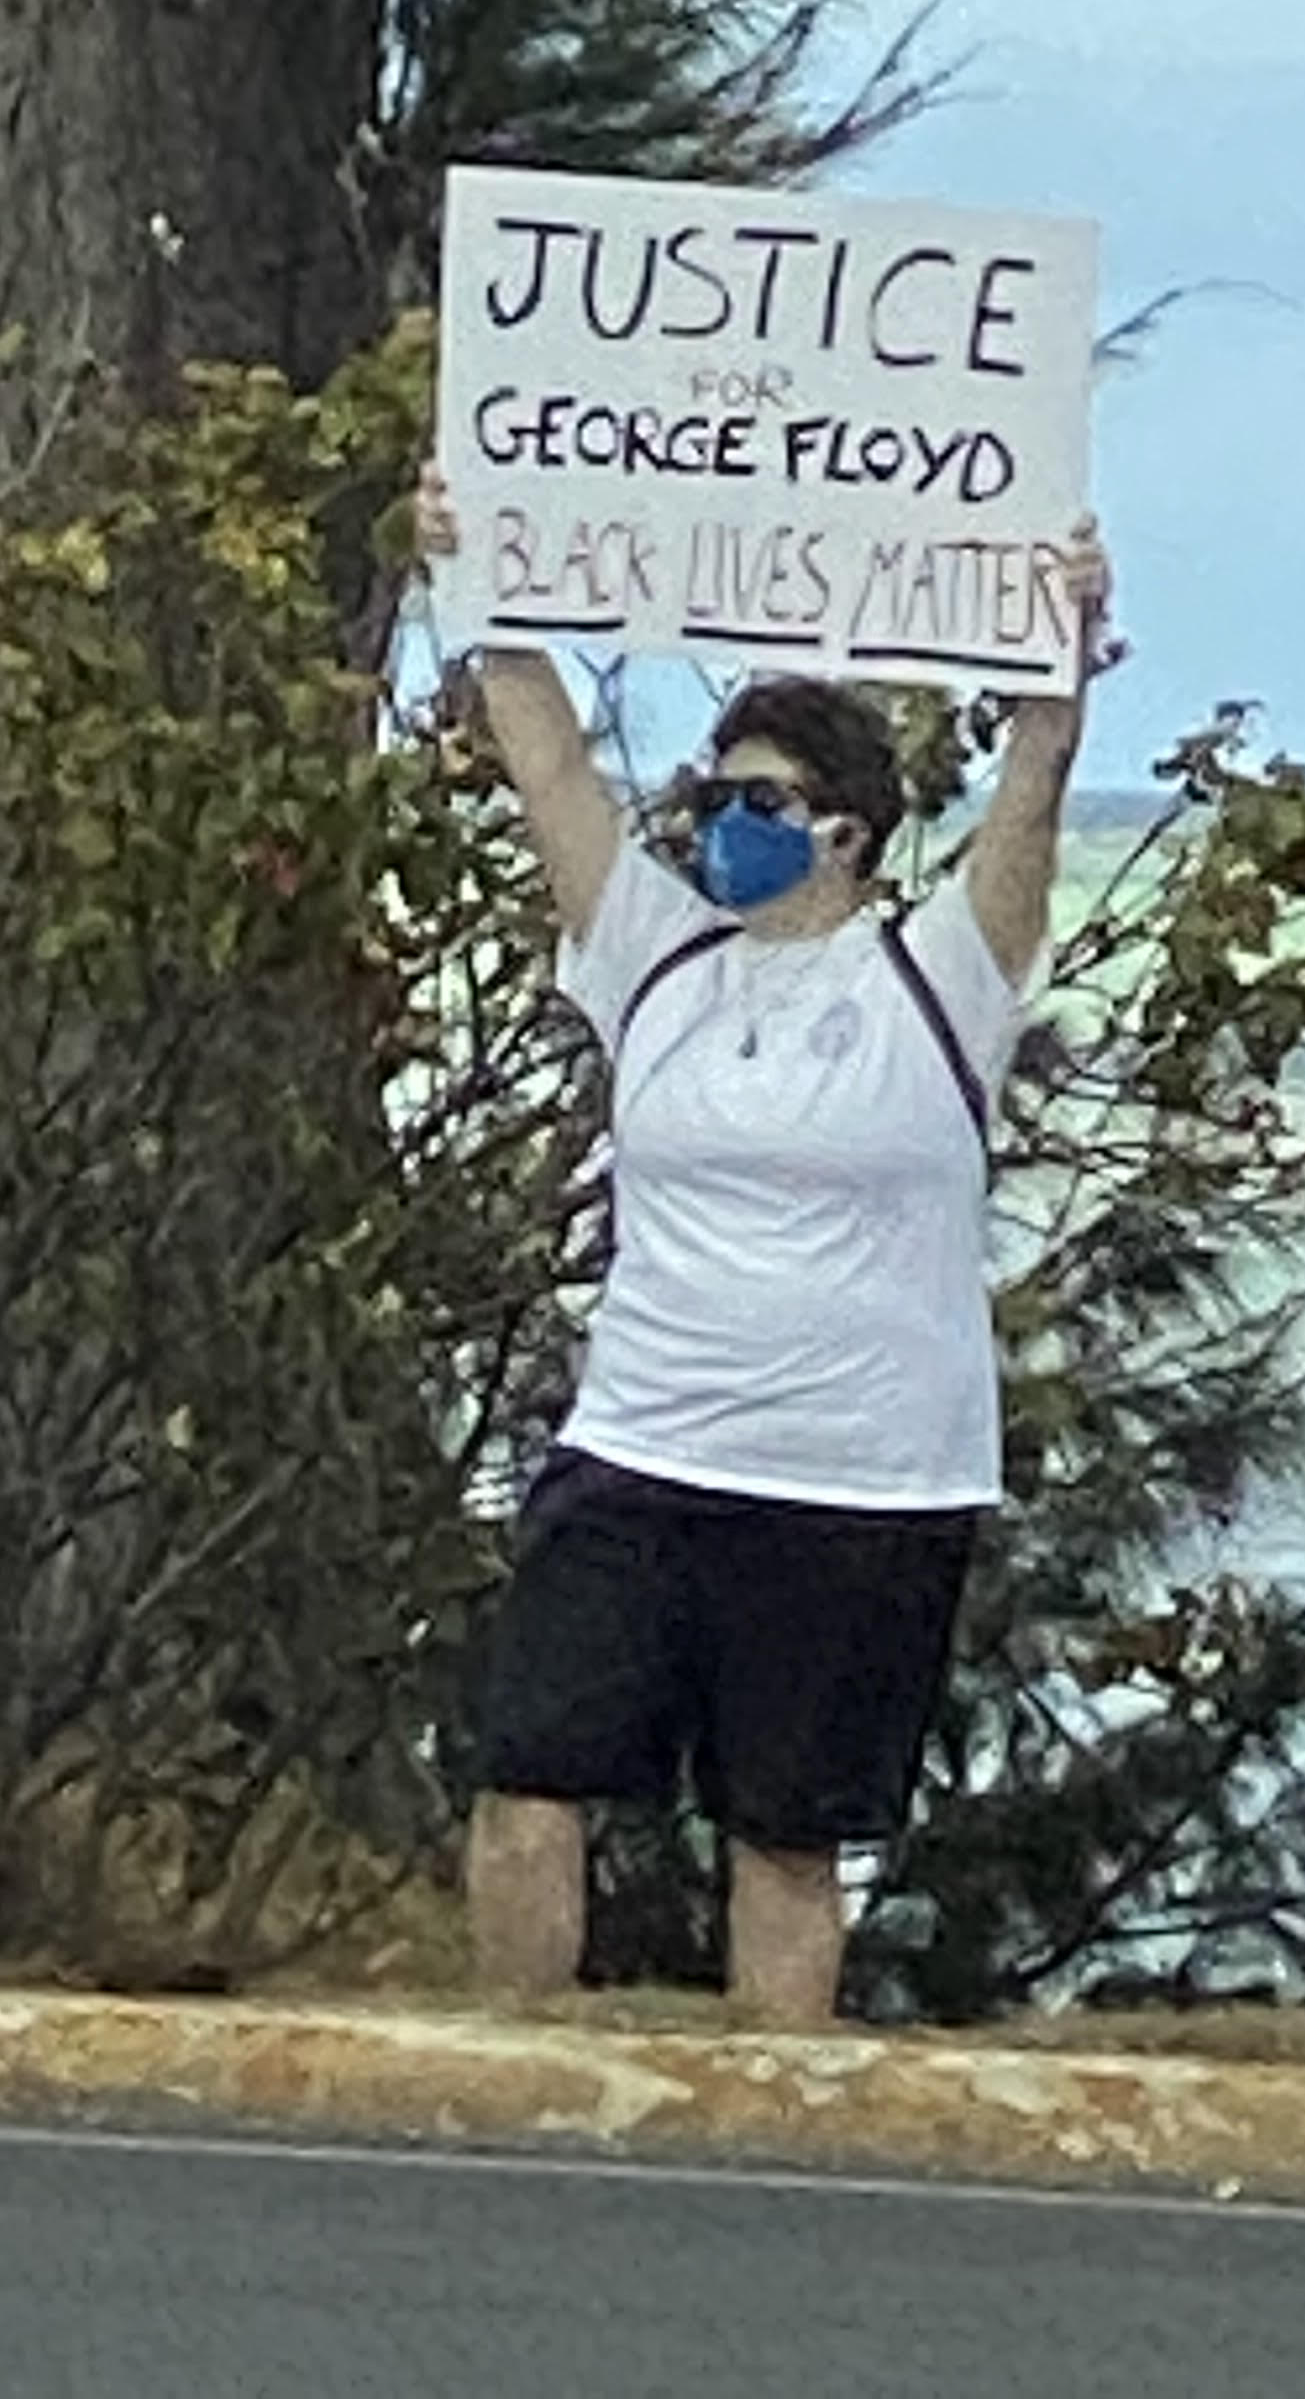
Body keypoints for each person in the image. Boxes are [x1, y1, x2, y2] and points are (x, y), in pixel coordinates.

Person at [413, 468, 1112, 2026]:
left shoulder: (938, 979)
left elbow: (1028, 808)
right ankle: (517, 2080)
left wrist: (1055, 670)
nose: (720, 823)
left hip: (862, 1484)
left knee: (787, 1841)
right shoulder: (654, 958)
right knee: (527, 1778)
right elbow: (547, 768)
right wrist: (479, 588)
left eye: (760, 802)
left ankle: (767, 2131)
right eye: (710, 797)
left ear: (848, 833)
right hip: (645, 1447)